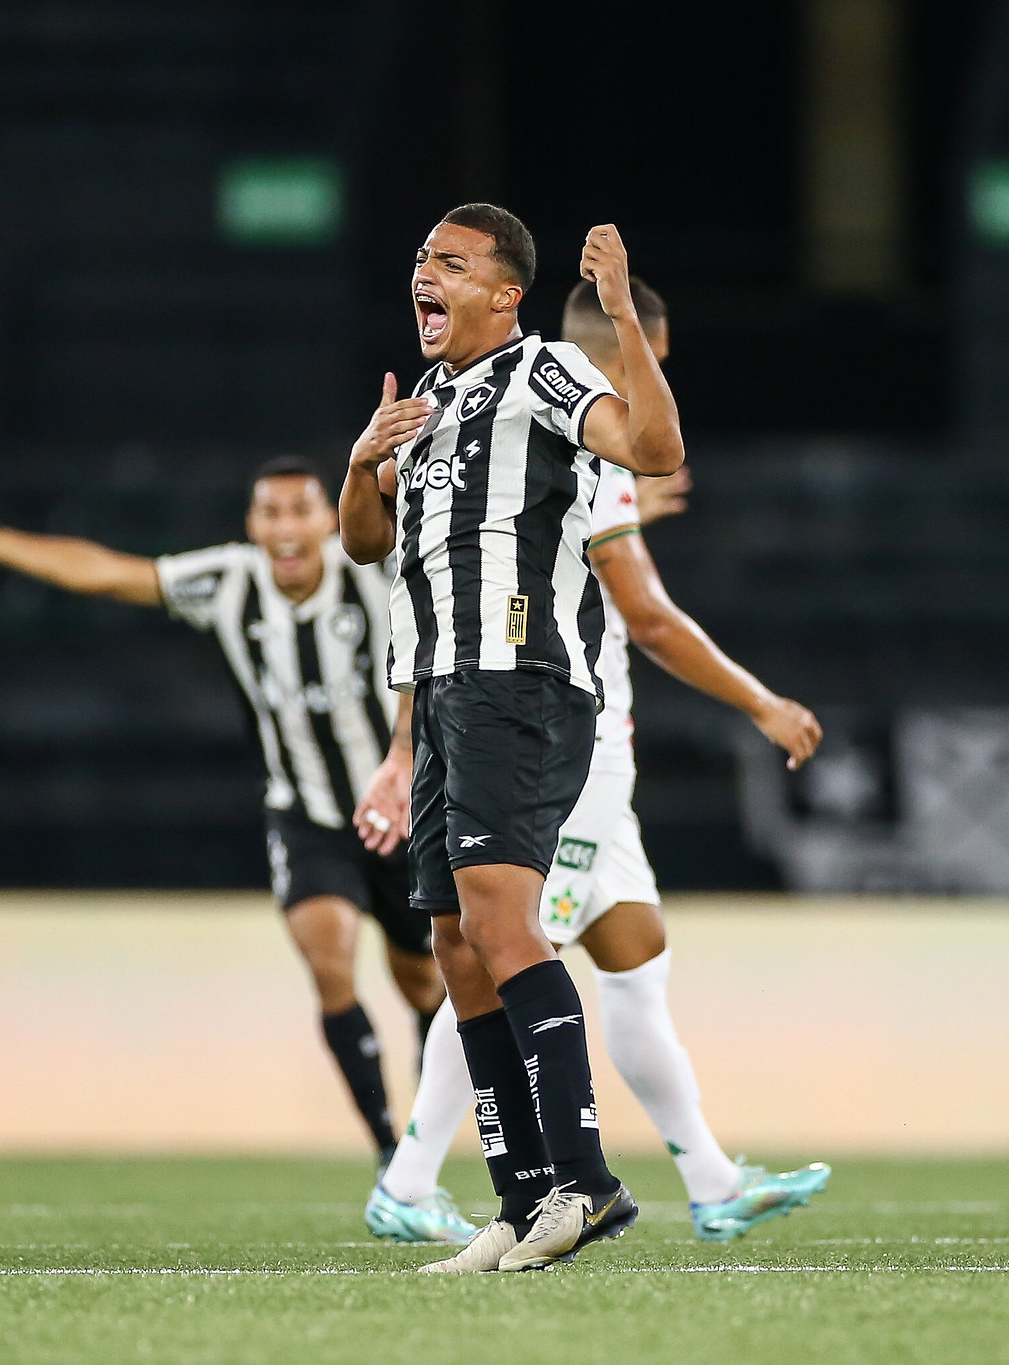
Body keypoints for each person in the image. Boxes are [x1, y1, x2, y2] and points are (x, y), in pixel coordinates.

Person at [373, 278, 834, 1243]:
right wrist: (762, 701)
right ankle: (418, 1174)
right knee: (501, 941)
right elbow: (650, 618)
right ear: (622, 358)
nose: (658, 381)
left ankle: (708, 1178)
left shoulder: (548, 449)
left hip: (585, 752)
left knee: (632, 958)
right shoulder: (575, 416)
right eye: (652, 364)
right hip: (551, 742)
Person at [0, 457, 461, 1220]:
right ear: (252, 527)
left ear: (328, 519)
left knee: (424, 983)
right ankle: (394, 1159)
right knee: (330, 960)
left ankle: (427, 1141)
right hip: (305, 813)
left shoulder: (378, 576)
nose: (285, 528)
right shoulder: (228, 583)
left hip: (396, 811)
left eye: (299, 510)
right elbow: (104, 573)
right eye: (269, 513)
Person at [340, 203, 684, 1272]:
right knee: (454, 947)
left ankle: (583, 1185)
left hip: (517, 679)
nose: (422, 277)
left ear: (504, 292)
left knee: (498, 925)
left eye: (449, 262)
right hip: (442, 690)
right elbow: (363, 542)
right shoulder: (431, 401)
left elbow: (653, 445)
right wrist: (361, 464)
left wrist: (619, 311)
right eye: (417, 260)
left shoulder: (541, 371)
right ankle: (519, 1194)